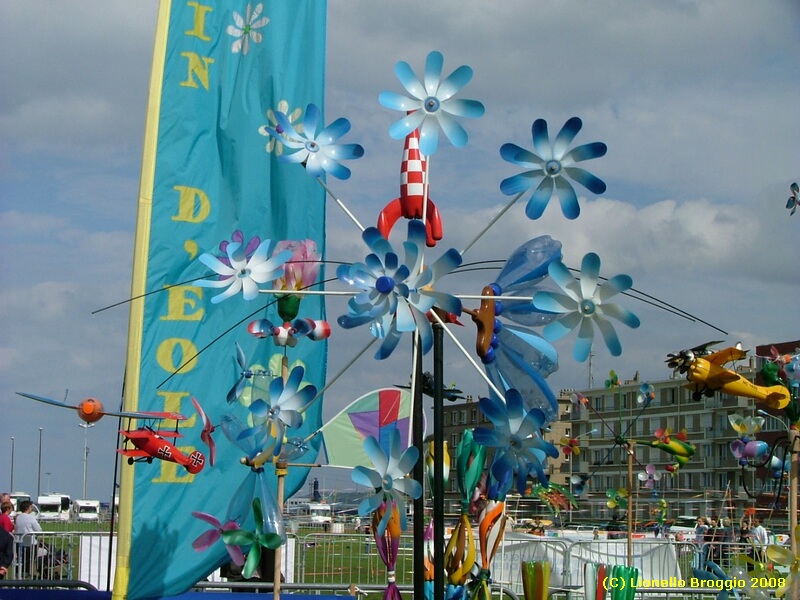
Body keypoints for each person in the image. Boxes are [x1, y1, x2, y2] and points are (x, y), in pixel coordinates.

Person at [14, 500, 41, 577]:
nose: (32, 508)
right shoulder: (30, 517)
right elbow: (38, 529)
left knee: (20, 561)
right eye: (31, 507)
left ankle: (19, 574)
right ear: (27, 508)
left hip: (20, 542)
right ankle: (27, 575)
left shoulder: (18, 517)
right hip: (30, 543)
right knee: (29, 561)